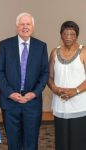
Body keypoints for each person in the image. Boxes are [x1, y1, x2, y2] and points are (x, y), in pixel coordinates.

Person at [0, 12, 49, 150]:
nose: (25, 27)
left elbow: (45, 73)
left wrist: (34, 93)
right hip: (10, 102)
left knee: (31, 143)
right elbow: (0, 72)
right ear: (16, 27)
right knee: (13, 143)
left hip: (32, 103)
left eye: (28, 24)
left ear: (33, 27)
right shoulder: (5, 45)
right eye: (22, 24)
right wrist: (10, 93)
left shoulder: (41, 46)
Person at [48, 21, 86, 150]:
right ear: (61, 35)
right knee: (61, 141)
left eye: (72, 34)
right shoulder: (54, 52)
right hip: (60, 104)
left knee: (78, 141)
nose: (69, 37)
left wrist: (75, 91)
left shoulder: (84, 51)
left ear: (77, 36)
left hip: (79, 105)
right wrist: (55, 89)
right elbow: (49, 77)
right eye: (65, 34)